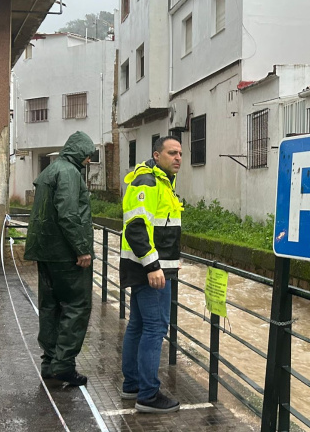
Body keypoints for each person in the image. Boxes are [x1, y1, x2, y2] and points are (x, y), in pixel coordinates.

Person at [23, 131, 97, 387]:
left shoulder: (51, 171)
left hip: (47, 253)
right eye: (87, 155)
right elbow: (68, 213)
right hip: (66, 255)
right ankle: (64, 366)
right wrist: (82, 248)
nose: (88, 160)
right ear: (79, 152)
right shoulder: (69, 172)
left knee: (50, 307)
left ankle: (50, 362)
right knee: (76, 306)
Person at [120, 135, 183, 413]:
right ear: (157, 155)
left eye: (180, 153)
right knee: (155, 328)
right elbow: (136, 226)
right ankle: (148, 394)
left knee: (138, 324)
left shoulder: (162, 181)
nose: (178, 158)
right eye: (172, 153)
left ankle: (133, 385)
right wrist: (153, 266)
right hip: (150, 270)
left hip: (146, 267)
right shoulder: (148, 182)